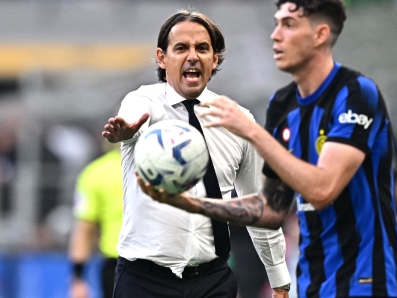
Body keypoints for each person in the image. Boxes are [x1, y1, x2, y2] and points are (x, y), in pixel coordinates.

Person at [139, 0, 397, 297]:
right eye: (276, 23)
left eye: (288, 25)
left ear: (319, 35)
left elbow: (323, 190)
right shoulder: (283, 104)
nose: (275, 34)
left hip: (365, 281)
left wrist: (252, 131)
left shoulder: (355, 94)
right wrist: (192, 204)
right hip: (312, 282)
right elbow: (269, 208)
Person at [101, 9, 291, 298]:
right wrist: (126, 131)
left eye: (202, 48)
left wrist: (279, 280)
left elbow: (259, 207)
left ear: (214, 59)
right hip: (143, 281)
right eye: (181, 48)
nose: (193, 56)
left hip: (213, 280)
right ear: (162, 58)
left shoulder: (239, 120)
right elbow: (133, 117)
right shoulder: (143, 101)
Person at [68, 144, 123, 298]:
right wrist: (78, 278)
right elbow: (85, 228)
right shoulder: (169, 166)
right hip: (163, 264)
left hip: (118, 268)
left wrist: (77, 278)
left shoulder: (95, 172)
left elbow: (84, 229)